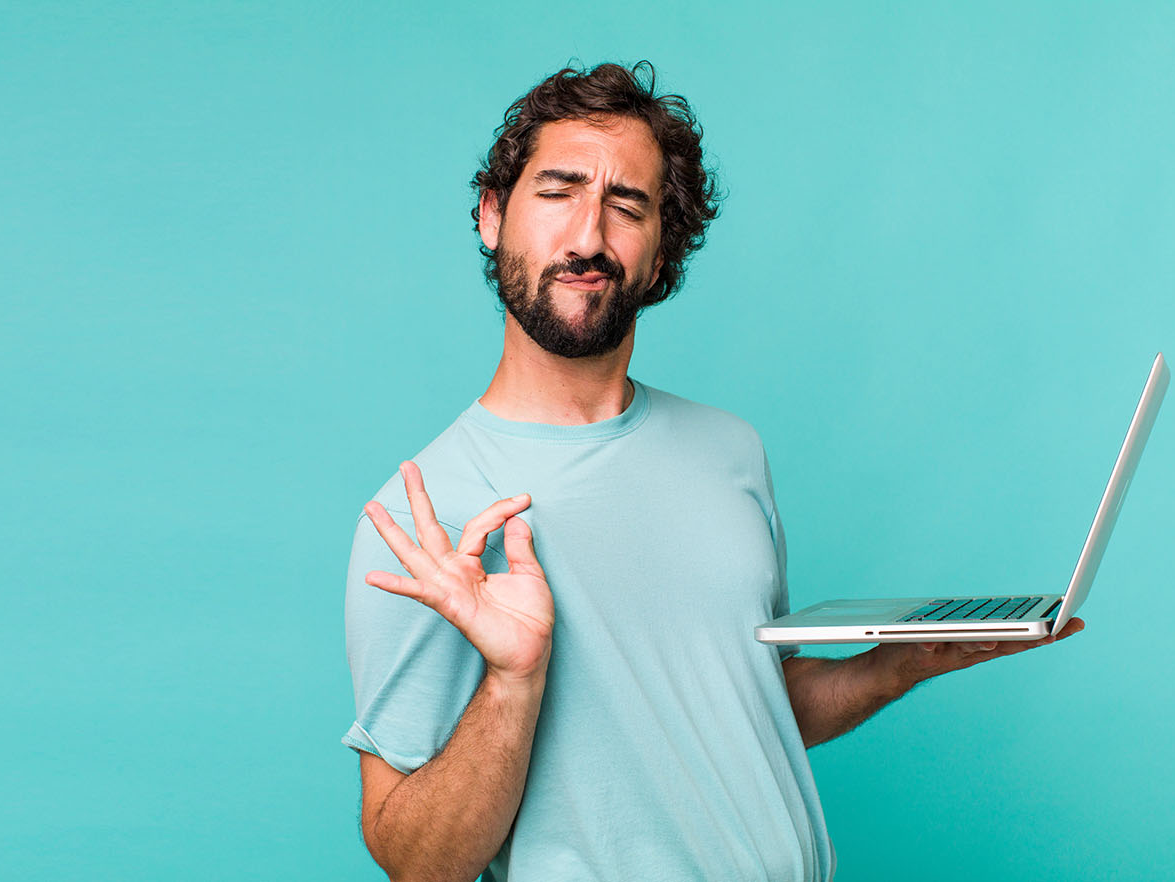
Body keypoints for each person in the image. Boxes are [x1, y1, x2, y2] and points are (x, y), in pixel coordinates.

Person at [340, 61, 1085, 882]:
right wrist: (513, 682)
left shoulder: (730, 450)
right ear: (492, 216)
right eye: (557, 193)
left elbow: (742, 707)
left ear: (662, 255)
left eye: (627, 206)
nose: (588, 237)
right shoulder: (426, 516)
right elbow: (415, 861)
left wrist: (894, 666)